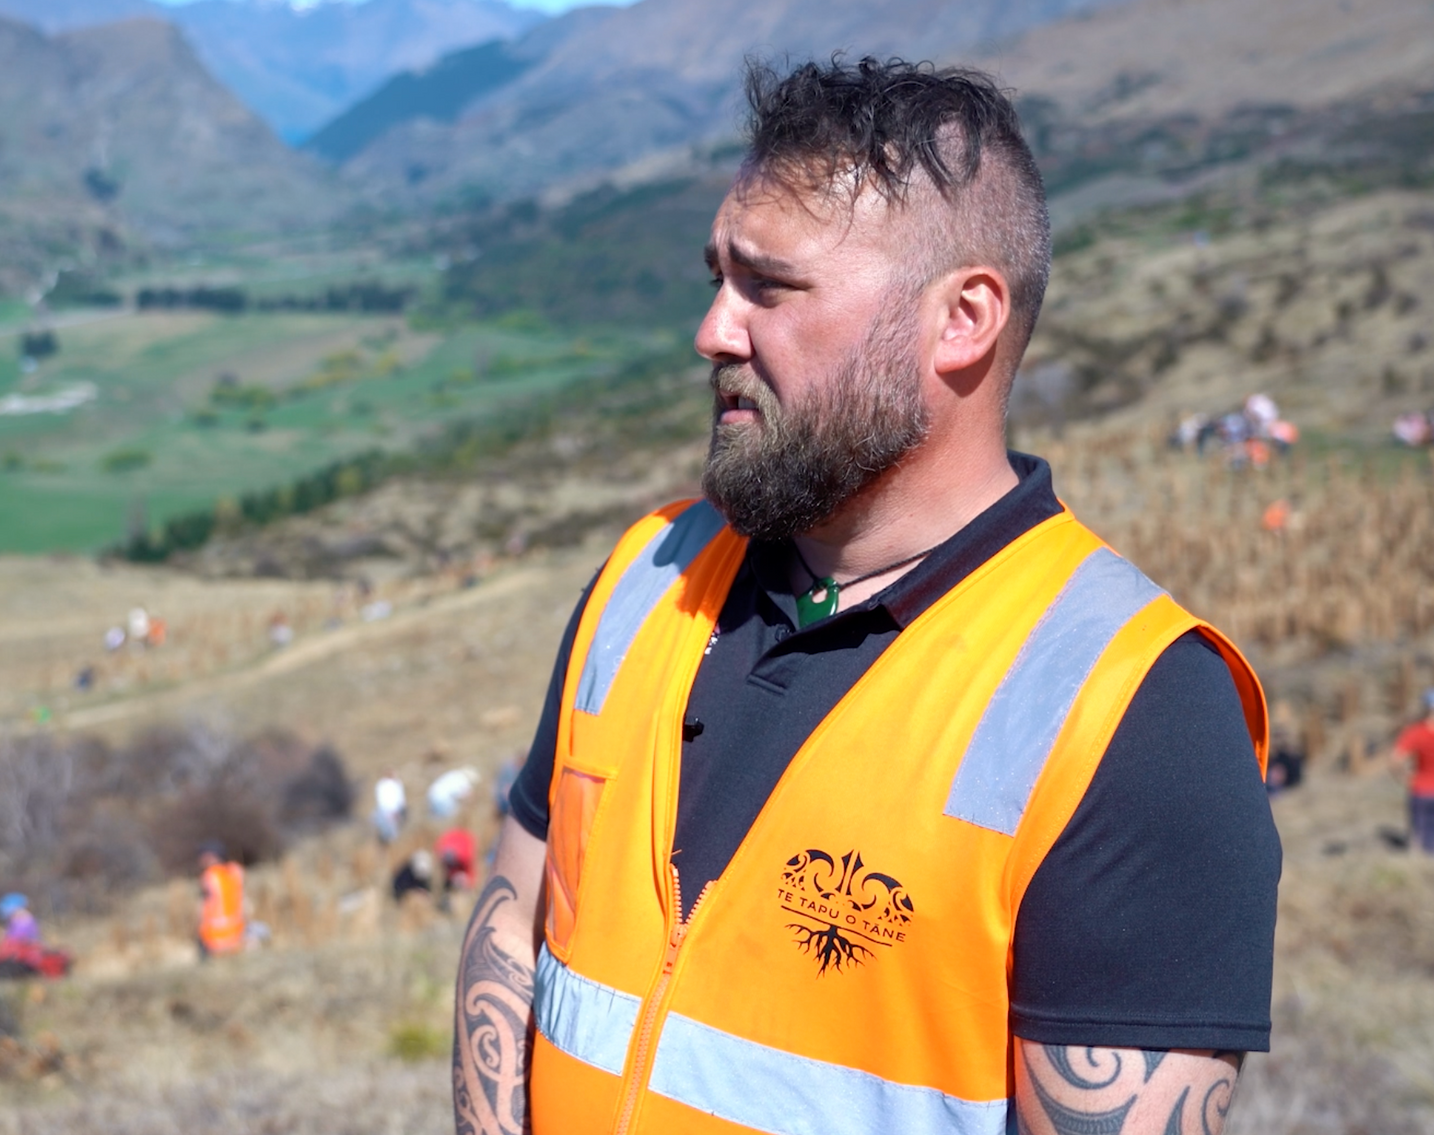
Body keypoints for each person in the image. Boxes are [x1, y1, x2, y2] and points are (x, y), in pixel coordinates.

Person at [452, 58, 1279, 1135]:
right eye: (717, 277)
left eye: (769, 287)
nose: (714, 330)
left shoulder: (1137, 711)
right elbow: (513, 923)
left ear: (962, 320)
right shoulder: (646, 573)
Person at [1392, 689, 1434, 852]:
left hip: (1421, 790)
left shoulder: (1415, 732)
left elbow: (1395, 759)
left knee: (1420, 841)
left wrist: (1404, 778)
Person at [197, 842, 245, 958]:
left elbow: (203, 907)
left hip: (215, 939)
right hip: (238, 934)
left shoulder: (209, 876)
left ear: (212, 856)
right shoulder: (236, 871)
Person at [372, 770, 407, 844]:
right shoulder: (382, 784)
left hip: (391, 809)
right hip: (387, 809)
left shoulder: (395, 783)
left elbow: (400, 798)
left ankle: (392, 839)